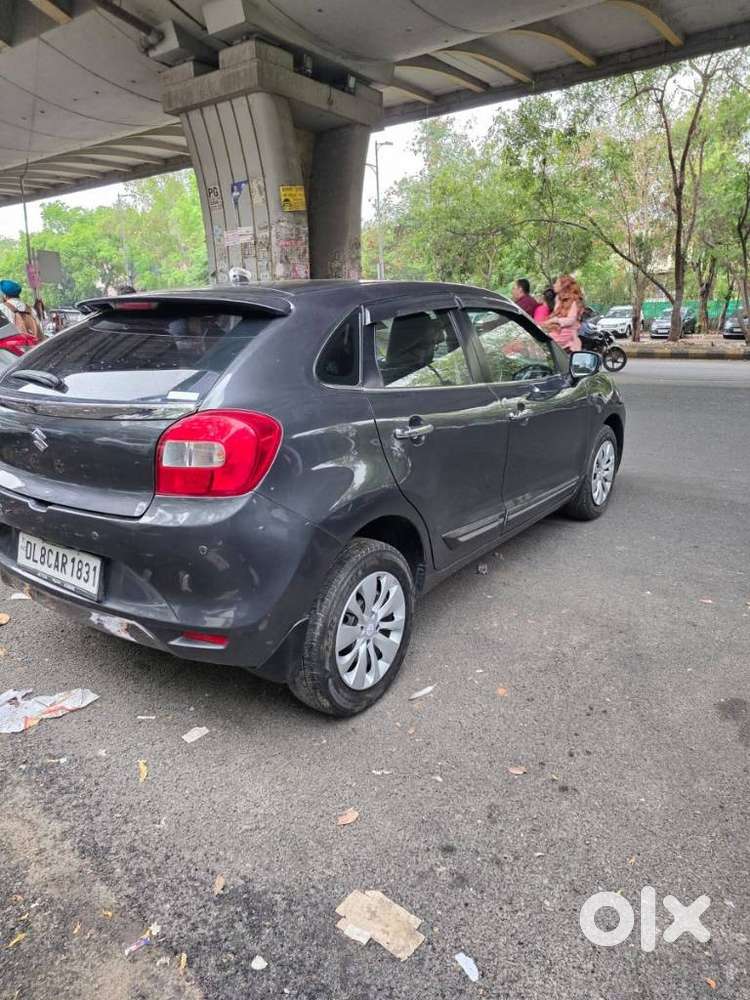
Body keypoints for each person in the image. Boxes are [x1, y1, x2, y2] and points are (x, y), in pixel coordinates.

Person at [540, 274, 584, 353]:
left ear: (563, 285)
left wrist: (554, 320)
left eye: (556, 283)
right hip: (558, 332)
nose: (554, 285)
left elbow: (571, 320)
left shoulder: (574, 300)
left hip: (567, 337)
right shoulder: (558, 298)